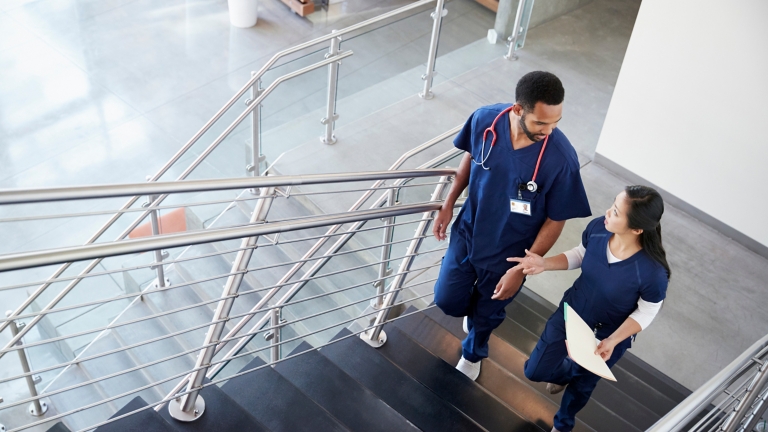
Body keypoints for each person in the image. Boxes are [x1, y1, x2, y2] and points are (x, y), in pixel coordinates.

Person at [432, 71, 592, 381]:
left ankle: (473, 351)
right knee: (447, 300)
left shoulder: (561, 160)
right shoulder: (485, 120)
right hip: (469, 233)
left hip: (511, 254)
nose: (549, 130)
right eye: (540, 123)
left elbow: (556, 218)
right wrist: (449, 202)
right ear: (518, 110)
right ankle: (472, 313)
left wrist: (522, 268)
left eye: (556, 122)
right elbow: (470, 158)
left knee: (487, 314)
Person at [510, 186, 671, 432]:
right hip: (572, 313)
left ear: (637, 229)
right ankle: (565, 373)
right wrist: (545, 263)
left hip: (606, 337)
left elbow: (646, 312)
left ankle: (563, 424)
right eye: (612, 205)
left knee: (583, 386)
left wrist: (613, 341)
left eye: (616, 212)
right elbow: (581, 254)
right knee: (535, 370)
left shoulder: (652, 273)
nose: (607, 212)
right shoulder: (598, 228)